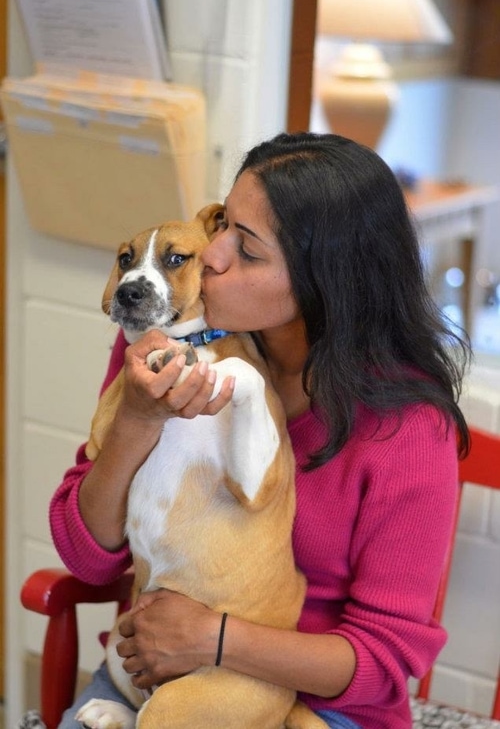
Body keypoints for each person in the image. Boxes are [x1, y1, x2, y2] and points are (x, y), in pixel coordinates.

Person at [50, 131, 470, 729]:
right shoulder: (165, 347)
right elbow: (88, 559)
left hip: (323, 708)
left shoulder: (406, 430)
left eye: (246, 250)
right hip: (157, 674)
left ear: (324, 281)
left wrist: (213, 639)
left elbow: (384, 662)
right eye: (223, 226)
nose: (211, 256)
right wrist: (135, 423)